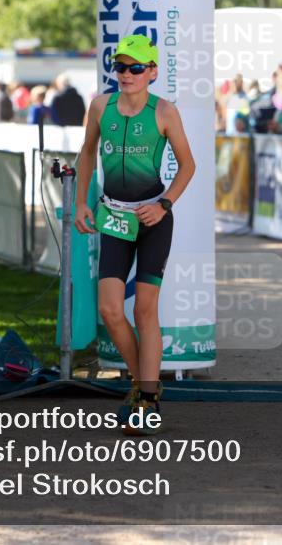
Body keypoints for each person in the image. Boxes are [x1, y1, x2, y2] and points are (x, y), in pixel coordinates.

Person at [74, 34, 196, 436]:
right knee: (110, 310)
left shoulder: (164, 112)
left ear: (152, 72)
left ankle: (146, 396)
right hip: (114, 217)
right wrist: (81, 202)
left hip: (153, 220)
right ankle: (142, 379)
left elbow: (188, 166)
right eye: (121, 66)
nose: (126, 74)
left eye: (136, 68)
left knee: (144, 310)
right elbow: (87, 153)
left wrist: (164, 205)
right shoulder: (99, 106)